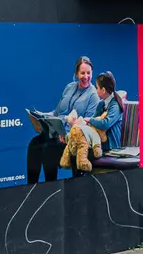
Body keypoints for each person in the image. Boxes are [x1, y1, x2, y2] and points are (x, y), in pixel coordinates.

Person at [26, 56, 99, 185]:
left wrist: (68, 134)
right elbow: (57, 112)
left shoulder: (93, 95)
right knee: (34, 144)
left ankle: (51, 188)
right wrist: (43, 116)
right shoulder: (69, 87)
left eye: (89, 73)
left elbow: (88, 124)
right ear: (76, 73)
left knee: (49, 148)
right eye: (82, 73)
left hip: (74, 137)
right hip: (57, 133)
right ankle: (31, 188)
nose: (86, 77)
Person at [60, 72, 123, 171]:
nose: (96, 90)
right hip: (98, 141)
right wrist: (80, 123)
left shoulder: (115, 106)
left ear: (103, 90)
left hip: (109, 145)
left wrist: (90, 120)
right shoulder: (101, 104)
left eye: (97, 88)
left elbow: (106, 123)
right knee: (75, 148)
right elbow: (93, 120)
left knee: (81, 154)